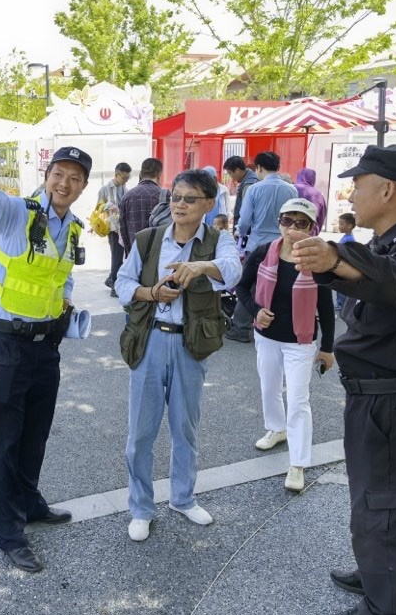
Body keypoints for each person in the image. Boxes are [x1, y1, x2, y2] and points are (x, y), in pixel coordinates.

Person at [291, 145, 396, 615]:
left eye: (359, 183)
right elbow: (373, 280)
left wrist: (334, 257)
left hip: (392, 404)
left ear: (387, 190)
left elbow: (394, 282)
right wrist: (333, 265)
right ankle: (373, 570)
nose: (351, 192)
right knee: (370, 496)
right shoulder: (388, 244)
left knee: (385, 504)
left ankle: (382, 605)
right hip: (375, 400)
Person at [0, 138, 88, 574]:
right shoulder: (18, 213)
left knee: (35, 434)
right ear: (46, 178)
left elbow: (61, 275)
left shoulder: (75, 228)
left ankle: (29, 503)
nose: (64, 183)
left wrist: (65, 301)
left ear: (83, 186)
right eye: (59, 174)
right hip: (5, 345)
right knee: (2, 440)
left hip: (46, 347)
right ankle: (8, 532)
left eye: (75, 178)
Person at [115, 169, 242, 542]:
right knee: (140, 432)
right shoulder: (148, 240)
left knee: (185, 428)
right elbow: (123, 284)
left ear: (208, 203)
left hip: (191, 345)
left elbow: (233, 272)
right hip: (151, 340)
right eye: (175, 197)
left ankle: (183, 498)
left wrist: (201, 266)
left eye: (189, 199)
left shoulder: (220, 240)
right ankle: (140, 507)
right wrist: (152, 292)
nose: (180, 205)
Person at [235, 198, 335, 492]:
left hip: (299, 342)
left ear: (312, 227)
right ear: (279, 222)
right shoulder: (264, 252)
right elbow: (241, 287)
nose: (292, 228)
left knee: (298, 399)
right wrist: (255, 311)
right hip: (266, 336)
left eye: (301, 222)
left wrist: (327, 348)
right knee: (268, 387)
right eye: (287, 220)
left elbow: (327, 309)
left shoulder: (317, 261)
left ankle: (298, 464)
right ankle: (277, 429)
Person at [226, 151, 298, 343]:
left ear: (258, 168)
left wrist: (240, 234)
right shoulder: (291, 190)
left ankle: (241, 328)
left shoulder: (255, 189)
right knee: (279, 286)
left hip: (258, 245)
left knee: (248, 286)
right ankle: (272, 324)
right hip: (284, 245)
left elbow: (244, 221)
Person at [98, 162, 132, 297]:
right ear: (117, 175)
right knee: (117, 256)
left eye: (128, 178)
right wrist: (109, 205)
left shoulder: (125, 188)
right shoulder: (105, 189)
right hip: (112, 228)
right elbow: (98, 207)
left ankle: (110, 279)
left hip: (123, 227)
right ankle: (114, 285)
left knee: (121, 256)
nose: (126, 180)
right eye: (124, 178)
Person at [119, 158, 164, 257]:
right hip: (158, 256)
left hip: (134, 253)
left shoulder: (127, 196)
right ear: (159, 175)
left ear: (141, 173)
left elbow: (123, 229)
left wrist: (129, 253)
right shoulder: (164, 195)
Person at [223, 156, 259, 233]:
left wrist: (239, 231)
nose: (231, 176)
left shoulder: (249, 183)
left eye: (230, 173)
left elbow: (246, 212)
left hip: (247, 231)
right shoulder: (249, 179)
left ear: (237, 170)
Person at [295, 168, 328, 236]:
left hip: (290, 228)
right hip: (309, 230)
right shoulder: (317, 194)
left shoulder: (291, 189)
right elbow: (321, 216)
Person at [335, 213, 356, 311]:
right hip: (342, 266)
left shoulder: (349, 240)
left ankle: (341, 305)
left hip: (343, 267)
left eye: (341, 224)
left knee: (342, 288)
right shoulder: (348, 237)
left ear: (349, 226)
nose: (339, 226)